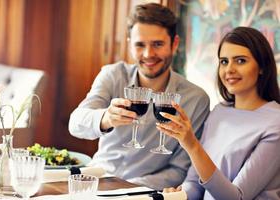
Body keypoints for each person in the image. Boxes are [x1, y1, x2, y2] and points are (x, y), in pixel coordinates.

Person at [68, 3, 210, 190]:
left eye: (157, 44)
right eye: (140, 44)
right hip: (96, 182)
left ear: (174, 44)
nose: (148, 54)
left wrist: (126, 189)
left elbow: (179, 170)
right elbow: (75, 124)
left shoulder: (196, 99)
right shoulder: (113, 75)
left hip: (143, 192)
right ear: (129, 44)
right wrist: (105, 118)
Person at [160, 26, 280, 199]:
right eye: (224, 61)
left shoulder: (275, 122)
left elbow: (235, 197)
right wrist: (180, 195)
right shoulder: (219, 112)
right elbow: (194, 183)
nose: (229, 69)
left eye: (240, 61)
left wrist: (192, 145)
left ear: (262, 66)